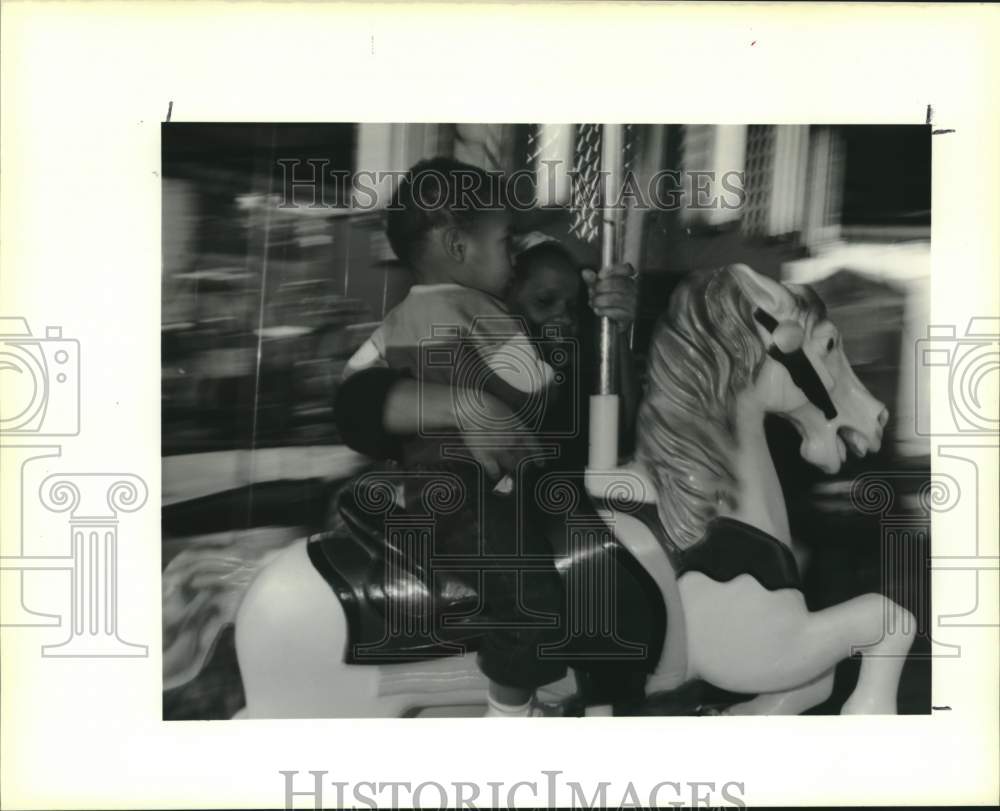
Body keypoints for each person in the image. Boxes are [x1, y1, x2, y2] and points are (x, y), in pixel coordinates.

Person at [335, 204, 640, 714]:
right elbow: (354, 404)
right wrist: (466, 404)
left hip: (554, 510)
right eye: (544, 302)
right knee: (533, 597)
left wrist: (616, 335)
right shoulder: (470, 334)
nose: (563, 317)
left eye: (574, 306)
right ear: (505, 295)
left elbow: (620, 432)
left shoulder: (571, 356)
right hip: (477, 504)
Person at [339, 158, 567, 717]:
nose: (512, 257)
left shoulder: (401, 314)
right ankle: (510, 711)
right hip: (466, 490)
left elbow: (355, 375)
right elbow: (532, 382)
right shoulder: (479, 311)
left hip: (428, 486)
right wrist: (542, 359)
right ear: (458, 247)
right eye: (505, 241)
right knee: (530, 592)